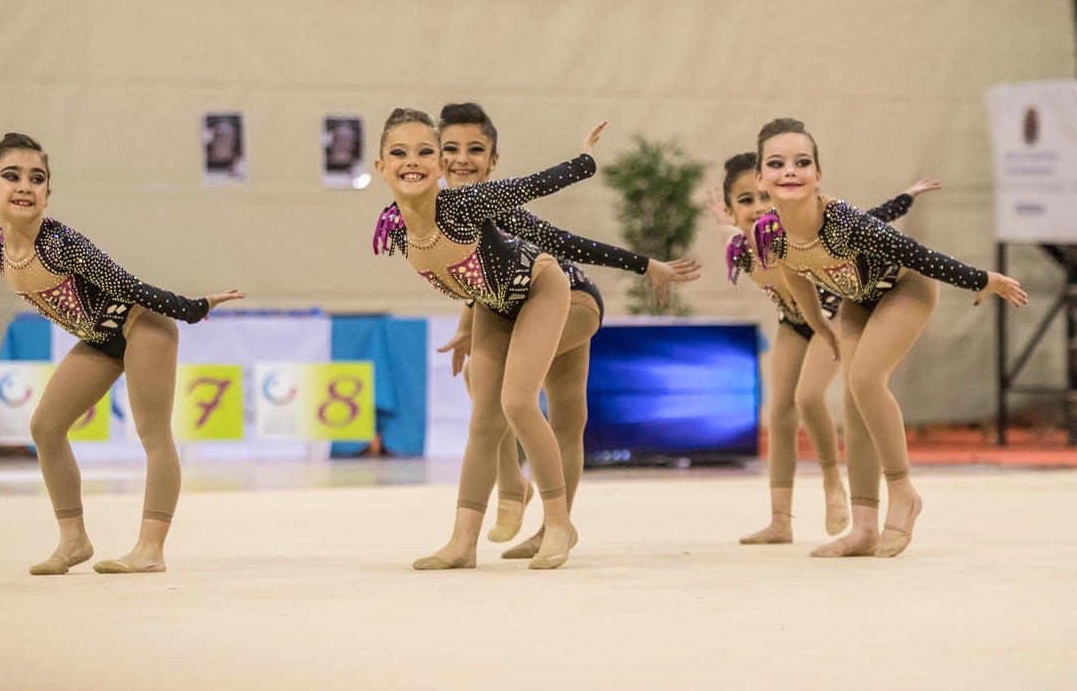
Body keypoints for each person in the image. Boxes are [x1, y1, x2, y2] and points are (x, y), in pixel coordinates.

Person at [373, 109, 694, 570]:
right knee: (485, 410)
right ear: (381, 166)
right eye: (399, 153)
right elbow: (470, 275)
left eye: (427, 151)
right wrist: (466, 327)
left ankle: (556, 522)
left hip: (553, 289)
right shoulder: (396, 229)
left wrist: (585, 162)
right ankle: (464, 541)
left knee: (522, 402)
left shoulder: (471, 204)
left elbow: (554, 219)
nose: (415, 161)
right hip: (499, 306)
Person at [752, 118, 1027, 557]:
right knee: (854, 404)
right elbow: (793, 272)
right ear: (760, 177)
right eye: (777, 163)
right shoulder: (769, 233)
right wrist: (820, 324)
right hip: (858, 300)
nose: (790, 171)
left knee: (865, 381)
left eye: (802, 162)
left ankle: (904, 494)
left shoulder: (844, 222)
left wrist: (982, 278)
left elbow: (917, 254)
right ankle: (863, 528)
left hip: (906, 287)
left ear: (817, 175)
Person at [0, 133, 244, 575]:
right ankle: (74, 539)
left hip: (142, 327)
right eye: (11, 176)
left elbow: (130, 287)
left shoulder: (61, 243)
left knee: (152, 433)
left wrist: (194, 308)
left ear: (48, 193)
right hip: (102, 340)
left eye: (37, 178)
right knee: (45, 428)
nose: (25, 186)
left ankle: (151, 549)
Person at [707, 153, 939, 544]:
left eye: (762, 197)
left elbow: (869, 220)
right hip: (792, 321)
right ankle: (780, 520)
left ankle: (834, 484)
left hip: (828, 314)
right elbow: (729, 234)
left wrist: (906, 197)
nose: (758, 207)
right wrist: (724, 227)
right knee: (780, 412)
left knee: (810, 396)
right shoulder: (739, 247)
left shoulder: (790, 235)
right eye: (744, 201)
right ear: (730, 211)